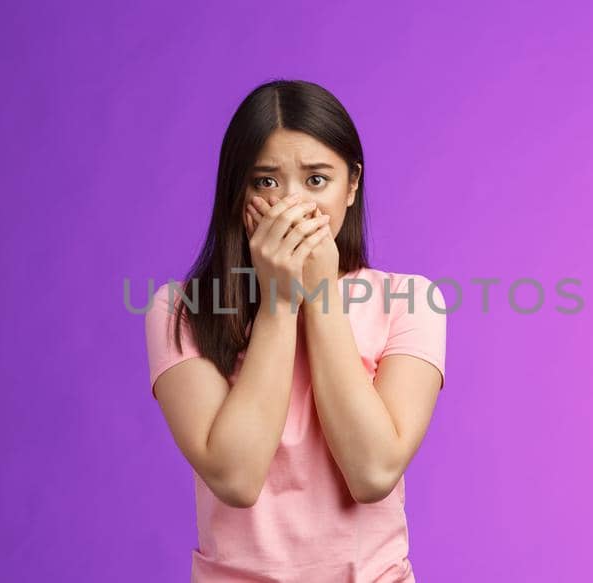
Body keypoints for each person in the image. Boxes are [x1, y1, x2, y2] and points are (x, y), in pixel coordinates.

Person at [143, 79, 447, 582]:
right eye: (265, 181)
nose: (291, 205)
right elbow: (236, 478)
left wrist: (321, 294)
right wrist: (280, 303)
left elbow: (373, 473)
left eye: (316, 180)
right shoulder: (181, 308)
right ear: (236, 191)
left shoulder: (410, 301)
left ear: (351, 186)